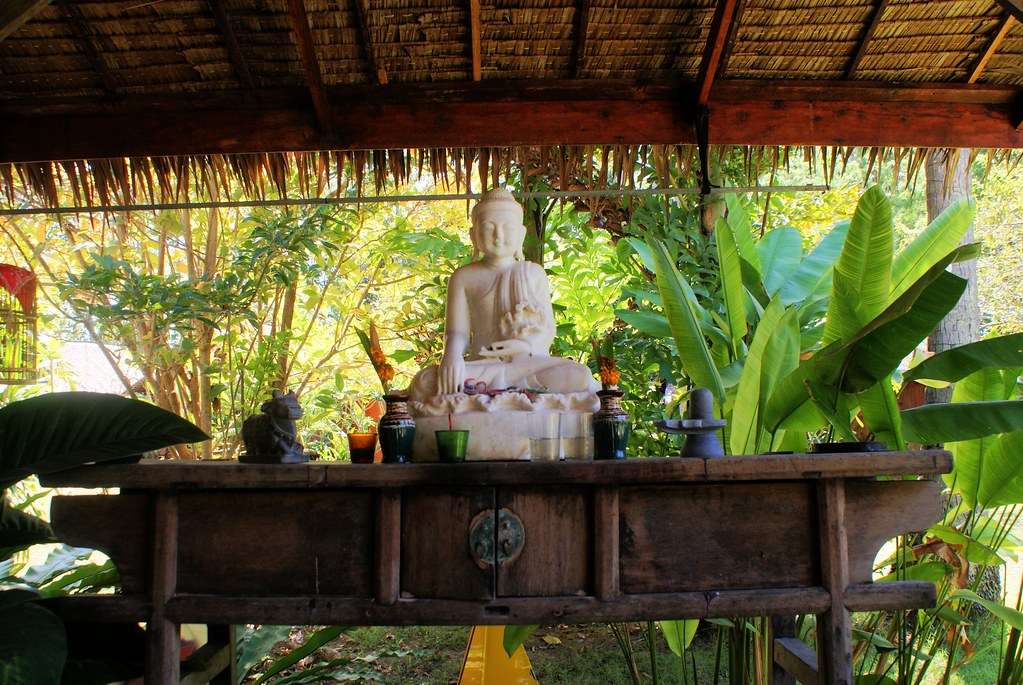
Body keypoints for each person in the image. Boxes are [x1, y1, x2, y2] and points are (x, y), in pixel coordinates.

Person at [409, 188, 599, 399]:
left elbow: (547, 330)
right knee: (425, 381)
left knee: (579, 375)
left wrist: (522, 346)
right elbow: (457, 332)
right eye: (489, 228)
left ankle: (495, 390)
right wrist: (452, 356)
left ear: (521, 234)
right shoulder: (463, 277)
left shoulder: (532, 273)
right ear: (474, 236)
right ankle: (511, 391)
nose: (498, 236)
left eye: (507, 228)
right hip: (482, 366)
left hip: (527, 365)